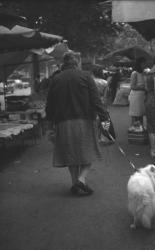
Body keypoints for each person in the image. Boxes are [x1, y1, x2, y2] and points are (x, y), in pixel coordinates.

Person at [45, 52, 110, 196]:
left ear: (64, 63)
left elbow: (49, 104)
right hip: (84, 120)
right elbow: (95, 100)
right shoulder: (86, 76)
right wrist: (105, 117)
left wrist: (49, 125)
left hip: (63, 122)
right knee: (89, 152)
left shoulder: (56, 79)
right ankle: (81, 179)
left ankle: (75, 184)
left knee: (71, 154)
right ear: (77, 62)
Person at [128, 57, 147, 131]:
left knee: (141, 114)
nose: (145, 65)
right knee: (135, 114)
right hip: (135, 96)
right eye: (144, 63)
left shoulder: (143, 73)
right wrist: (142, 88)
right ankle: (133, 131)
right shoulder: (134, 73)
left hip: (142, 96)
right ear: (140, 64)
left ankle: (140, 130)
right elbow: (132, 86)